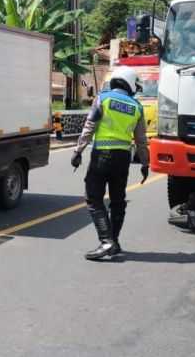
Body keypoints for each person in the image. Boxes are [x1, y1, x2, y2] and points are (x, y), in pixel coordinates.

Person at [71, 66, 149, 260]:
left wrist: (78, 150)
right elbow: (141, 140)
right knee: (117, 202)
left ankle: (106, 241)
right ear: (130, 83)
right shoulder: (137, 107)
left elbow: (89, 126)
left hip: (102, 156)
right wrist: (145, 164)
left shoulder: (103, 99)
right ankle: (114, 242)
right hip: (123, 159)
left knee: (93, 198)